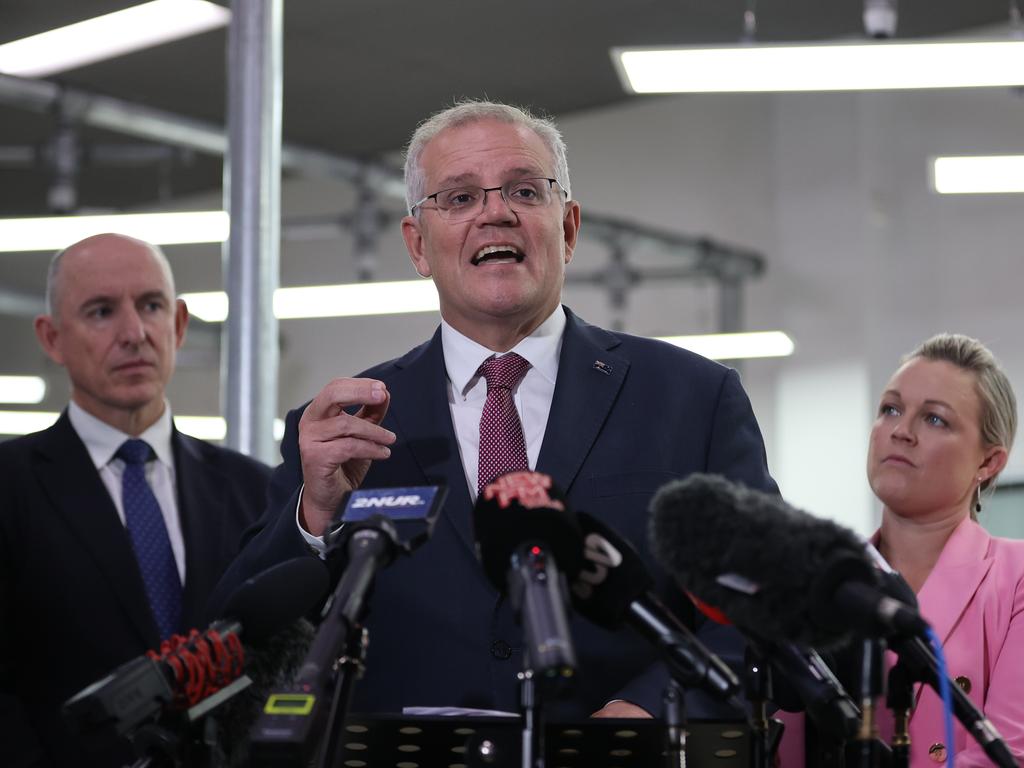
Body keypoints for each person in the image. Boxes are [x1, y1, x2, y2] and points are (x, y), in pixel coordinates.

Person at [209, 100, 778, 722]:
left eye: (524, 191)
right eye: (458, 199)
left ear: (568, 228)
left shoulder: (692, 399)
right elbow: (238, 642)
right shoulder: (341, 427)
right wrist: (314, 516)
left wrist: (645, 713)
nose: (495, 213)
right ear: (417, 246)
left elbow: (763, 612)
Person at [0, 234, 272, 768]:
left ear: (178, 324)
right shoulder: (10, 491)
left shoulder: (256, 491)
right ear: (52, 338)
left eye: (151, 306)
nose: (134, 333)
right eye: (101, 312)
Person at [866, 334, 1023, 766]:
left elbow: (1012, 753)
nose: (900, 431)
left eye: (934, 419)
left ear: (988, 463)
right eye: (890, 409)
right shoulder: (825, 580)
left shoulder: (1016, 578)